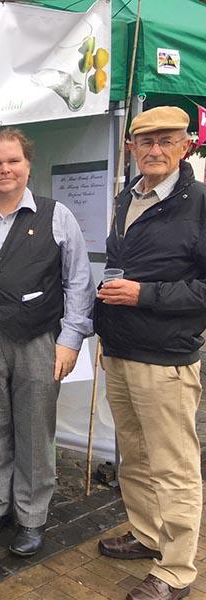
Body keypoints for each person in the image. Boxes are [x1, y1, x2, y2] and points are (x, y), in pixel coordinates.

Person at [0, 128, 94, 557]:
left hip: (38, 340)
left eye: (13, 161)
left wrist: (70, 340)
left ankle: (31, 518)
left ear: (28, 166)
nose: (4, 169)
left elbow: (79, 282)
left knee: (33, 433)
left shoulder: (56, 216)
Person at [95, 106, 204, 600]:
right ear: (132, 148)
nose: (154, 151)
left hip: (166, 360)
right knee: (135, 458)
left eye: (166, 141)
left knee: (174, 466)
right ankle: (147, 535)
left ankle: (178, 570)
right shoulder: (126, 198)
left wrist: (145, 295)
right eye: (145, 142)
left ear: (186, 146)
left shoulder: (198, 203)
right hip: (120, 352)